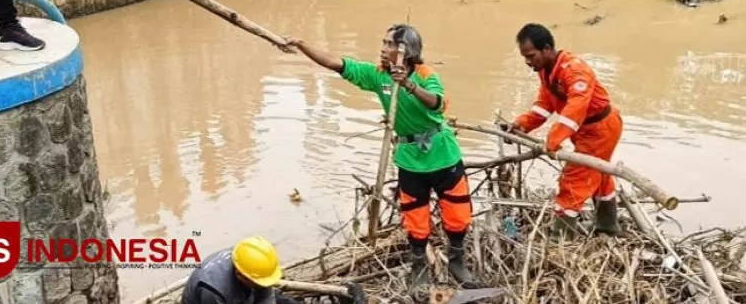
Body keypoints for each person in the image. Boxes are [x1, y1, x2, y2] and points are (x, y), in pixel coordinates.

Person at [287, 24, 477, 295]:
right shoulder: (379, 76)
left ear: (405, 51)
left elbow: (435, 102)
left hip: (443, 154)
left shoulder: (425, 75)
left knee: (457, 214)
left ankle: (457, 261)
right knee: (415, 217)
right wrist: (301, 44)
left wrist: (408, 85)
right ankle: (419, 266)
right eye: (384, 42)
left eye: (389, 43)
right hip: (410, 159)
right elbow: (336, 63)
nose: (382, 47)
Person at [504, 23, 624, 240]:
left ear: (547, 48)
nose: (528, 61)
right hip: (587, 129)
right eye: (525, 57)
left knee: (574, 179)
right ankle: (607, 227)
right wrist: (522, 123)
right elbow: (544, 105)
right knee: (598, 175)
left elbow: (575, 109)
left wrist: (553, 140)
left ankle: (561, 238)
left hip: (600, 128)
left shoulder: (575, 71)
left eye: (531, 55)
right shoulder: (547, 71)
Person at [182, 237, 365, 304]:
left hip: (243, 294)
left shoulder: (254, 263)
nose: (265, 285)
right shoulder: (213, 290)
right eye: (259, 283)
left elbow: (266, 294)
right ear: (240, 275)